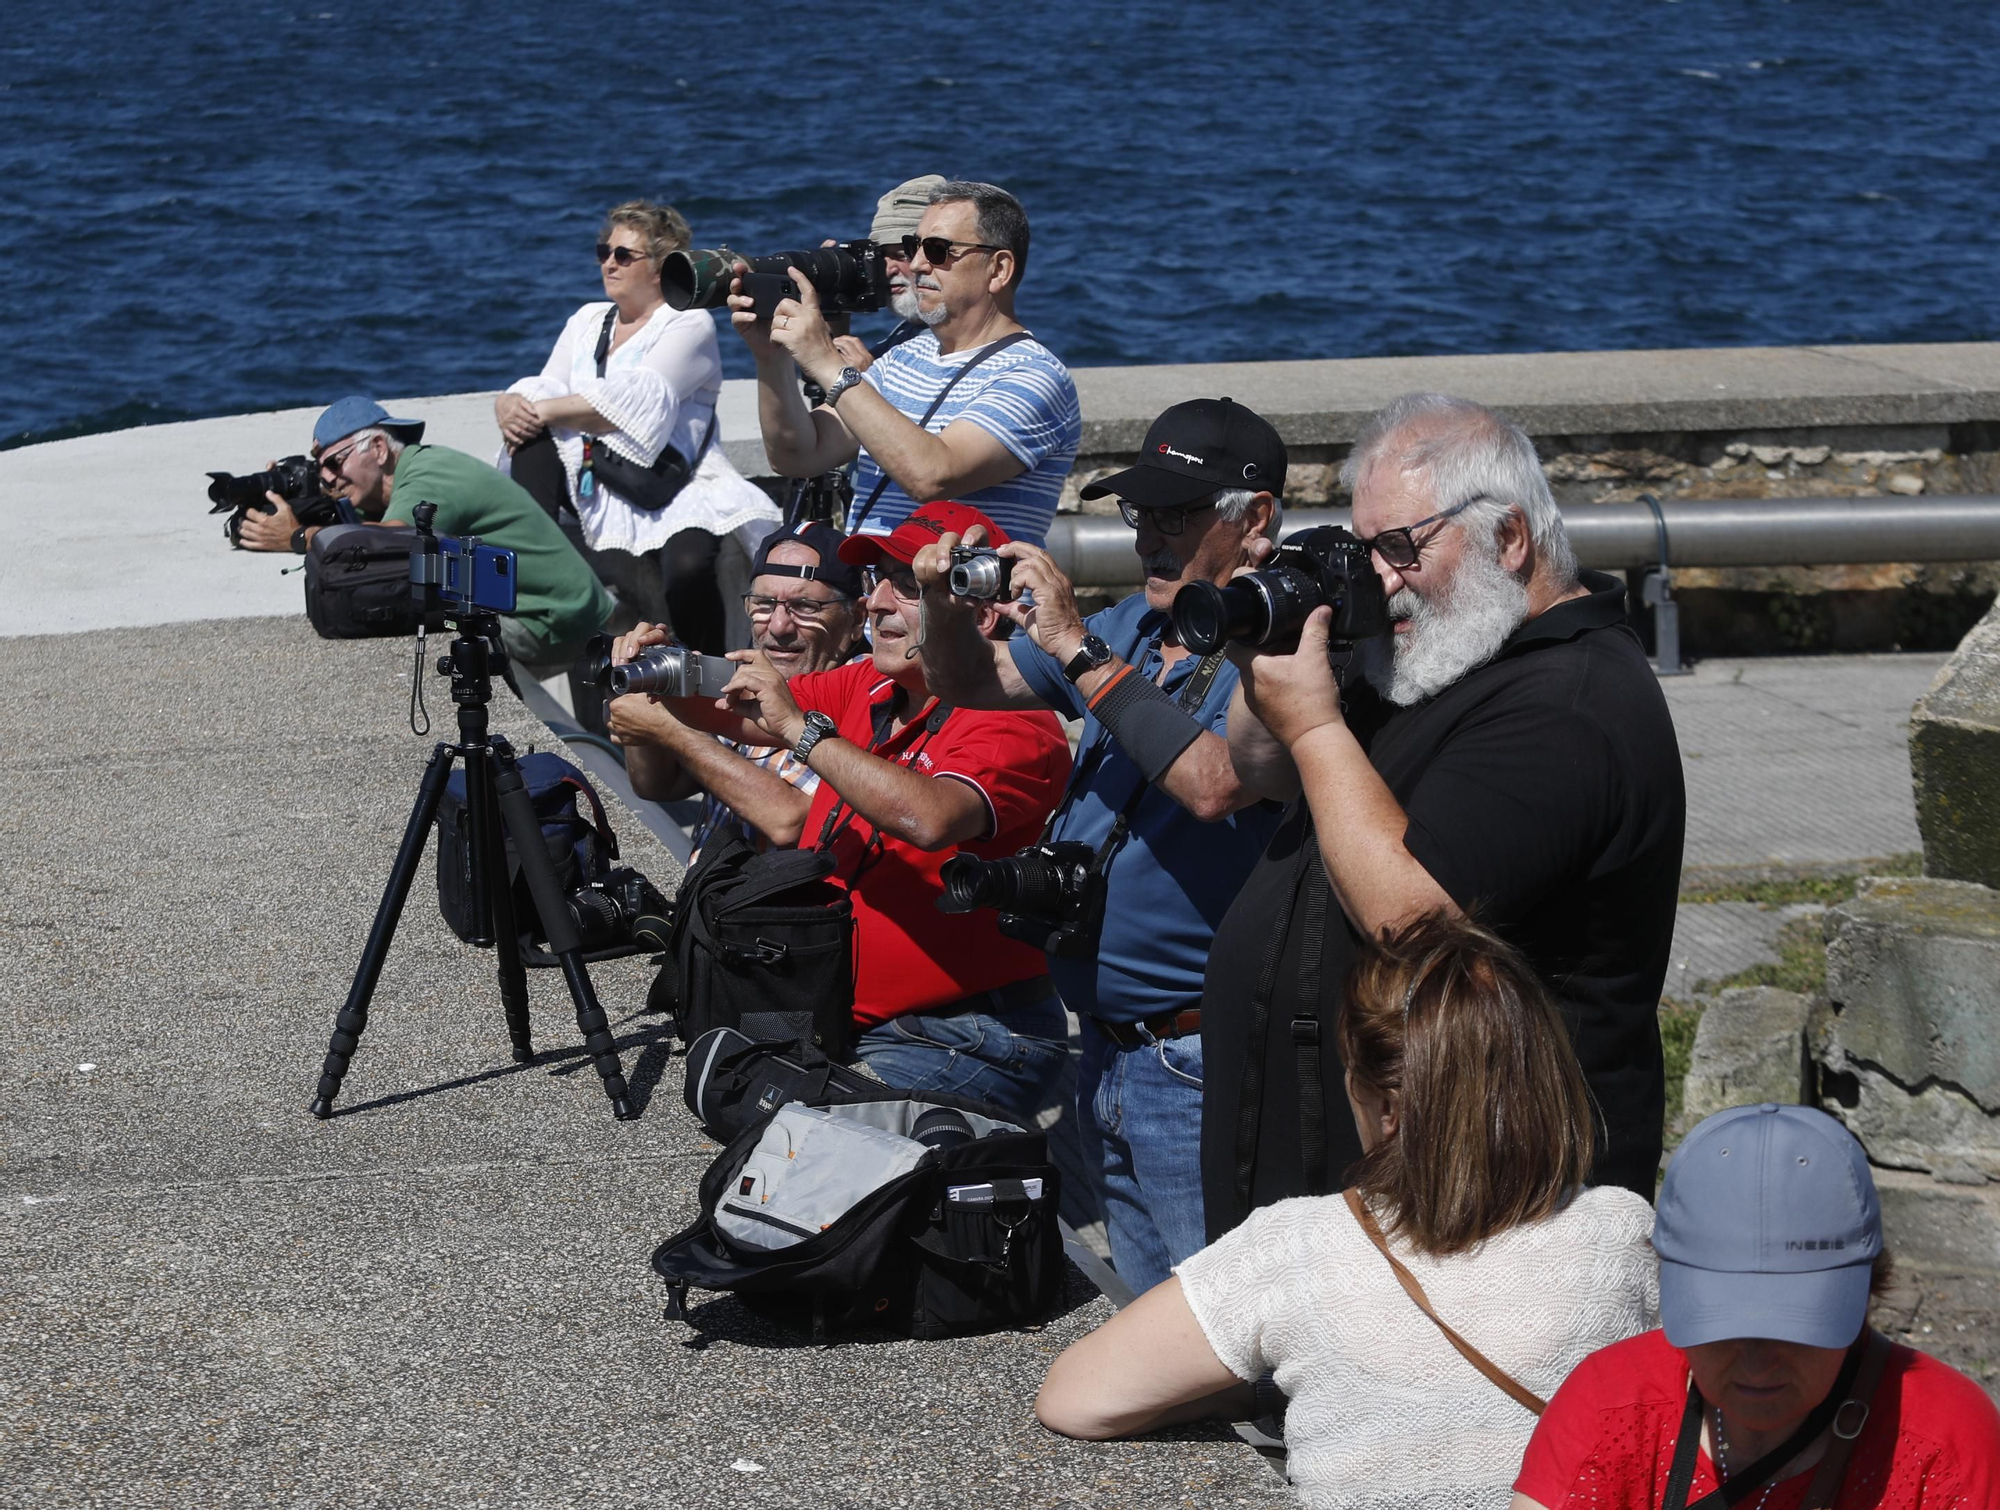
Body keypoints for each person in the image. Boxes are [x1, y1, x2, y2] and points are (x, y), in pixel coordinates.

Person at [1201, 391, 1687, 1241]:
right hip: (1351, 1196)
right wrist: (1266, 663)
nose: (1380, 576)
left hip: (1480, 1212)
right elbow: (1262, 771)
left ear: (1509, 537)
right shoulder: (1445, 643)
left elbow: (1411, 918)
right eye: (1364, 548)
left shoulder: (1568, 706)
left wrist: (1317, 723)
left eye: (1400, 547)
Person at [1037, 913, 1660, 1510]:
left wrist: (1248, 1385)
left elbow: (1075, 1399)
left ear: (1385, 1109)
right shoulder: (1622, 1234)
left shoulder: (1297, 1248)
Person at [910, 397, 1290, 1293]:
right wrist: (939, 600)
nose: (1149, 540)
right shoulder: (1137, 628)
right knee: (1152, 1316)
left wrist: (1075, 644)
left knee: (1219, 1332)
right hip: (1111, 1047)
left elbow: (1216, 783)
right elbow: (965, 680)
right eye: (1140, 516)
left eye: (1176, 517)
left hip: (1196, 1053)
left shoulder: (1272, 648)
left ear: (1256, 521)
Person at [620, 501, 1073, 1125]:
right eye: (877, 580)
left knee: (790, 1143)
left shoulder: (1016, 722)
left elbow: (930, 818)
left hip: (968, 1034)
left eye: (911, 586)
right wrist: (659, 667)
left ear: (984, 609)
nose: (878, 603)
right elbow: (728, 706)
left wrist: (805, 734)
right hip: (856, 1016)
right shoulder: (871, 687)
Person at [1514, 1103, 2000, 1510]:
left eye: (1795, 1328)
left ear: (1866, 1294)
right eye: (1721, 1324)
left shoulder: (1947, 1448)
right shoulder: (1608, 1412)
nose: (1756, 1360)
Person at [730, 179, 1081, 545]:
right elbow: (798, 455)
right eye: (915, 246)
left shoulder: (1033, 376)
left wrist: (826, 361)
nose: (916, 264)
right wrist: (771, 361)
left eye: (937, 250)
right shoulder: (903, 358)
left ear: (999, 269)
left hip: (969, 601)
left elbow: (932, 475)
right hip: (878, 597)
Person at [497, 199, 778, 654]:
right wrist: (509, 402)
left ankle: (706, 674)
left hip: (674, 481)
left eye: (624, 255)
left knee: (688, 569)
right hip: (599, 471)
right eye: (604, 251)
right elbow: (547, 383)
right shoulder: (588, 320)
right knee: (531, 442)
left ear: (660, 267)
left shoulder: (689, 323)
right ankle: (531, 585)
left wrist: (544, 409)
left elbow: (633, 405)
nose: (609, 262)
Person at [237, 396, 611, 673]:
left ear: (379, 448)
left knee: (406, 626)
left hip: (554, 620)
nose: (329, 478)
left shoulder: (430, 476)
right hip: (543, 611)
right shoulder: (405, 474)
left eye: (335, 463)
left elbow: (383, 549)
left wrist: (296, 536)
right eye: (321, 471)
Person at [609, 521, 867, 857]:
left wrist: (671, 730)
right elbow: (657, 785)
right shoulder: (746, 677)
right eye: (763, 603)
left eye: (805, 607)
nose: (778, 626)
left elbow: (789, 822)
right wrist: (652, 686)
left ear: (857, 619)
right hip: (714, 903)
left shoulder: (871, 696)